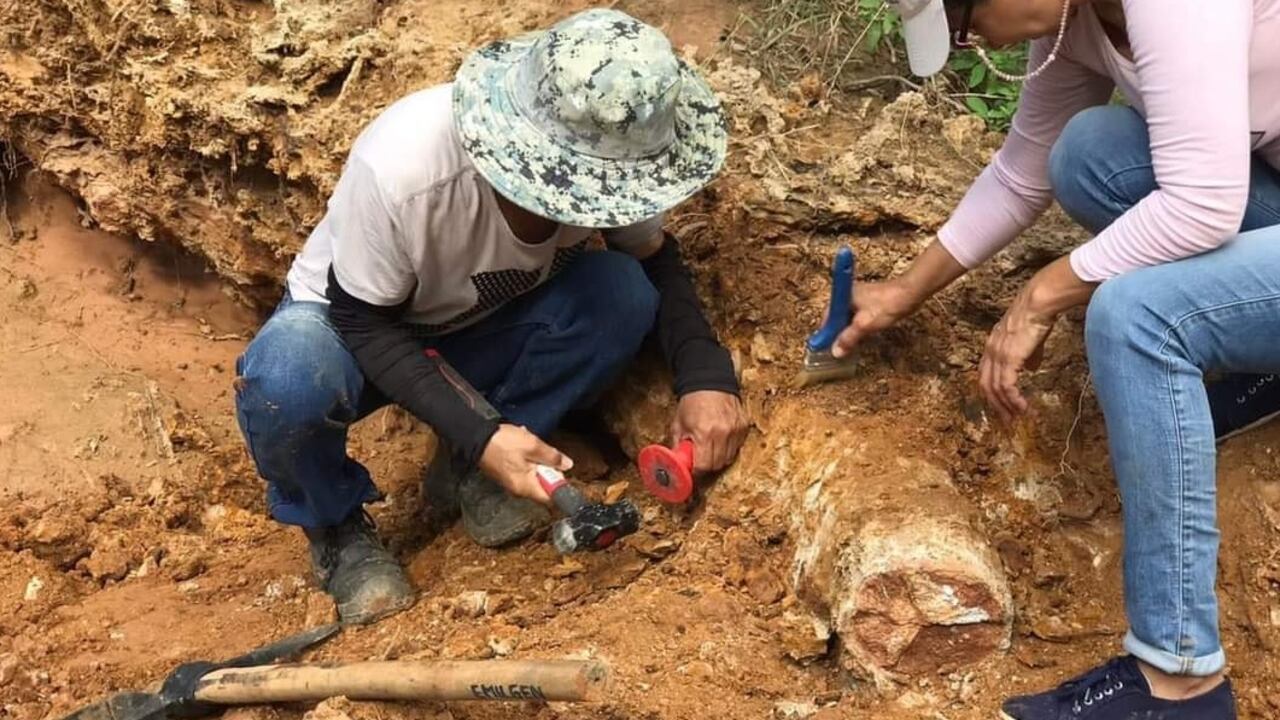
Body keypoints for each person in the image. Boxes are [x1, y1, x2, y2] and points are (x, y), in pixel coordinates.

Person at [233, 9, 750, 625]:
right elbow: (362, 321)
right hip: (354, 332)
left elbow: (654, 261)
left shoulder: (619, 156)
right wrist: (482, 434)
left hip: (482, 324)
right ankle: (336, 528)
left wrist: (705, 375)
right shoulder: (405, 170)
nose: (590, 206)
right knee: (284, 382)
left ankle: (469, 471)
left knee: (621, 293)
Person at [861, 0, 1280, 718]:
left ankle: (1180, 681)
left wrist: (1044, 291)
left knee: (1136, 316)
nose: (967, 46)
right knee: (1086, 153)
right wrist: (906, 291)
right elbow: (1023, 171)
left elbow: (1206, 203)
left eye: (962, 24)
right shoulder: (1072, 24)